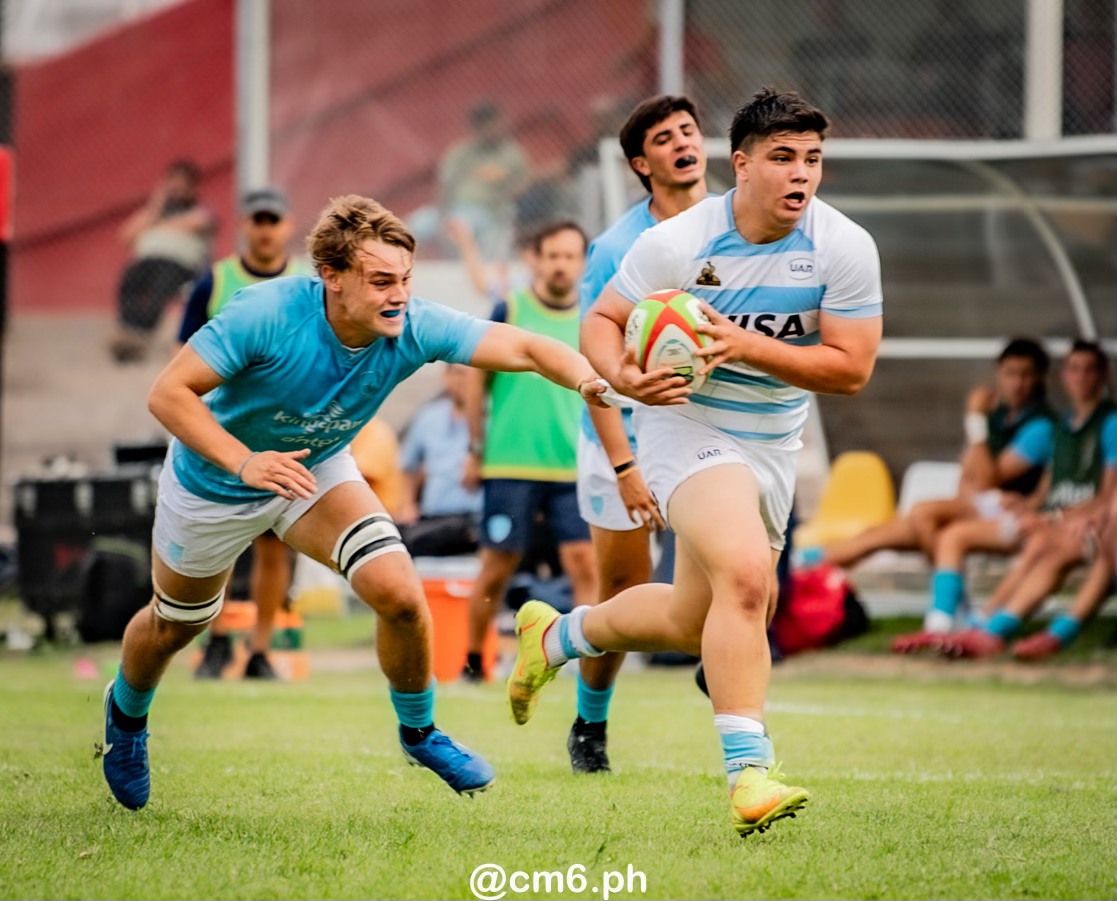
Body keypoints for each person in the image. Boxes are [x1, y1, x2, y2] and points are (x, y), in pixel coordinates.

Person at [99, 194, 608, 810]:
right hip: (215, 480)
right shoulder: (264, 313)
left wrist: (590, 378)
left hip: (312, 471)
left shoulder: (413, 324)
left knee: (399, 594)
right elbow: (168, 394)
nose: (399, 296)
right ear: (333, 278)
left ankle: (419, 733)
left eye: (405, 280)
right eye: (382, 281)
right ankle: (126, 718)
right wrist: (245, 460)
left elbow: (525, 348)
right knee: (175, 626)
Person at [507, 88, 884, 837]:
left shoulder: (842, 245)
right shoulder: (677, 243)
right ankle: (749, 773)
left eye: (811, 158)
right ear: (740, 166)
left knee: (692, 618)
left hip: (773, 442)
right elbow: (600, 323)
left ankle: (555, 636)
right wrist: (624, 378)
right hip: (684, 423)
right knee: (746, 575)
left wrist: (742, 344)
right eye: (781, 158)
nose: (799, 173)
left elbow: (850, 368)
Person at [569, 94, 710, 774]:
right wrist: (624, 466)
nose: (683, 142)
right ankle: (589, 723)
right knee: (623, 595)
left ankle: (724, 652)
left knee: (745, 571)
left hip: (708, 427)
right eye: (664, 137)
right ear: (640, 162)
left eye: (689, 130)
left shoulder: (738, 225)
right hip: (620, 437)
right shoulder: (617, 248)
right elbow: (591, 361)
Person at [811, 338, 1054, 636]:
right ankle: (800, 565)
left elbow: (988, 479)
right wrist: (977, 456)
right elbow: (969, 476)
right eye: (1011, 373)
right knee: (873, 536)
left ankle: (945, 617)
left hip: (1007, 514)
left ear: (1040, 377)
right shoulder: (998, 418)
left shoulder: (1040, 426)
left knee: (926, 514)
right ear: (998, 374)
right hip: (978, 506)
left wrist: (975, 420)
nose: (1018, 383)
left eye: (1026, 374)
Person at [916, 341, 1116, 659]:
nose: (1081, 377)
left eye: (1089, 369)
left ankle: (991, 629)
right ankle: (958, 626)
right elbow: (1041, 489)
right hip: (1046, 518)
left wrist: (975, 421)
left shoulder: (1094, 423)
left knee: (1039, 544)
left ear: (1103, 375)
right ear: (1063, 375)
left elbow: (1110, 495)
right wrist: (1028, 506)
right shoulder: (1063, 426)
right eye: (1074, 368)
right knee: (937, 525)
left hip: (1083, 526)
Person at [462, 220, 598, 682]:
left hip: (571, 466)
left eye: (570, 256)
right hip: (509, 463)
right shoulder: (510, 308)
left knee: (585, 564)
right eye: (552, 255)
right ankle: (473, 661)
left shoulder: (594, 317)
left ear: (583, 263)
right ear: (535, 260)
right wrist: (474, 447)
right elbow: (475, 377)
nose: (561, 265)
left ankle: (587, 667)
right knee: (497, 567)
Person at [183, 187, 307, 681]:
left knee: (276, 545)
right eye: (257, 219)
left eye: (273, 220)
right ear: (242, 225)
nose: (265, 229)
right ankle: (215, 642)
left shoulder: (307, 282)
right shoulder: (215, 281)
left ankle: (260, 650)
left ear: (288, 225)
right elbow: (183, 360)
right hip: (225, 429)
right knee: (225, 539)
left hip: (287, 429)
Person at [110, 159, 216, 363]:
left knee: (160, 286)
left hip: (180, 265)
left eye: (182, 185)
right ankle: (128, 332)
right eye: (172, 185)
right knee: (129, 281)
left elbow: (197, 223)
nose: (176, 191)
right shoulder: (155, 211)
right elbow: (125, 235)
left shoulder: (201, 209)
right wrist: (155, 206)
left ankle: (141, 334)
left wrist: (154, 224)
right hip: (146, 261)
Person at [438, 101, 529, 291]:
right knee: (418, 224)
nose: (494, 129)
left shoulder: (510, 153)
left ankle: (479, 273)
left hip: (493, 210)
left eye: (496, 123)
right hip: (456, 209)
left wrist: (505, 185)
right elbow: (445, 184)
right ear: (476, 127)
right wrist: (442, 214)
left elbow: (525, 182)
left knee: (468, 224)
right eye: (487, 125)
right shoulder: (460, 152)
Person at [396, 364, 483, 557]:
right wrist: (408, 505)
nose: (463, 381)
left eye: (469, 375)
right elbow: (408, 464)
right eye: (457, 374)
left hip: (475, 515)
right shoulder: (429, 416)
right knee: (392, 540)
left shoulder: (492, 416)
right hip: (435, 514)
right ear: (446, 376)